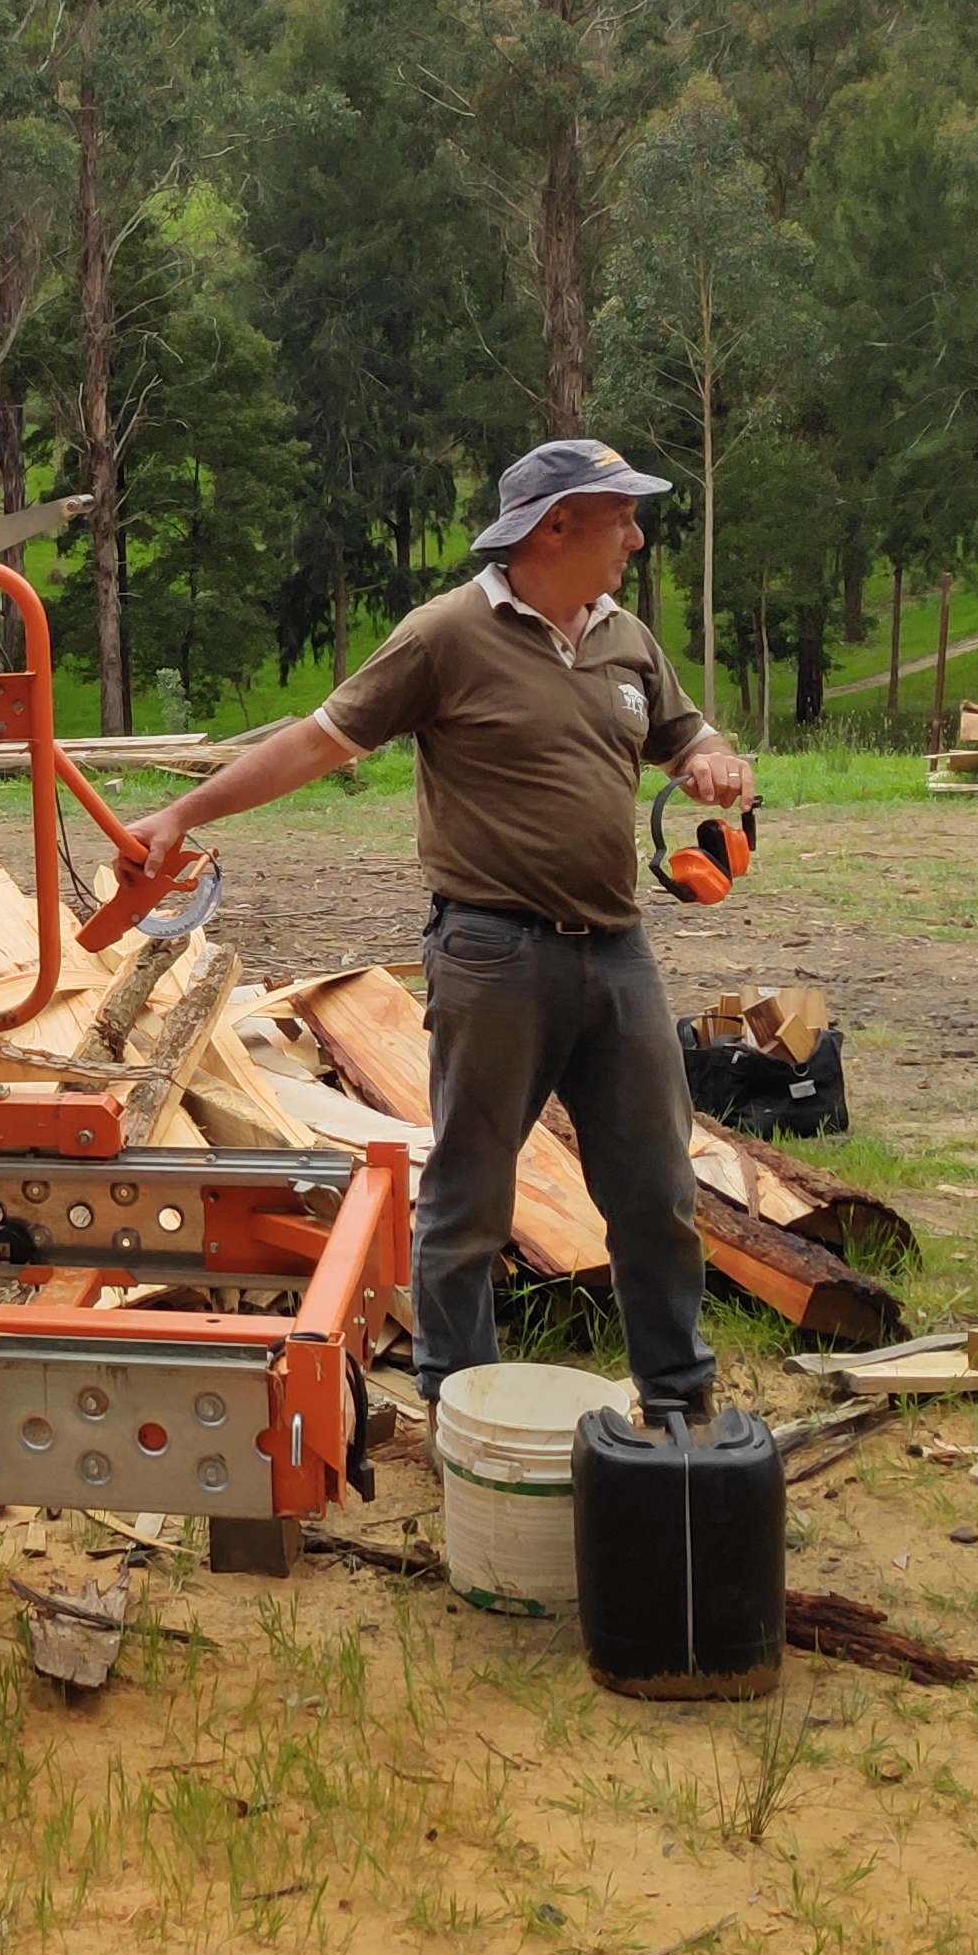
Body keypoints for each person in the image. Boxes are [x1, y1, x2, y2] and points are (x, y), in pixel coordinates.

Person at [121, 440, 753, 1414]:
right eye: (620, 517)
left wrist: (714, 761)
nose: (636, 536)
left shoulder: (627, 638)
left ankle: (677, 1396)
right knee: (470, 1196)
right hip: (493, 953)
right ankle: (463, 1400)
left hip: (618, 953)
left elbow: (684, 735)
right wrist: (182, 817)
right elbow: (315, 742)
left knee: (657, 1190)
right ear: (557, 527)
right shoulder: (446, 636)